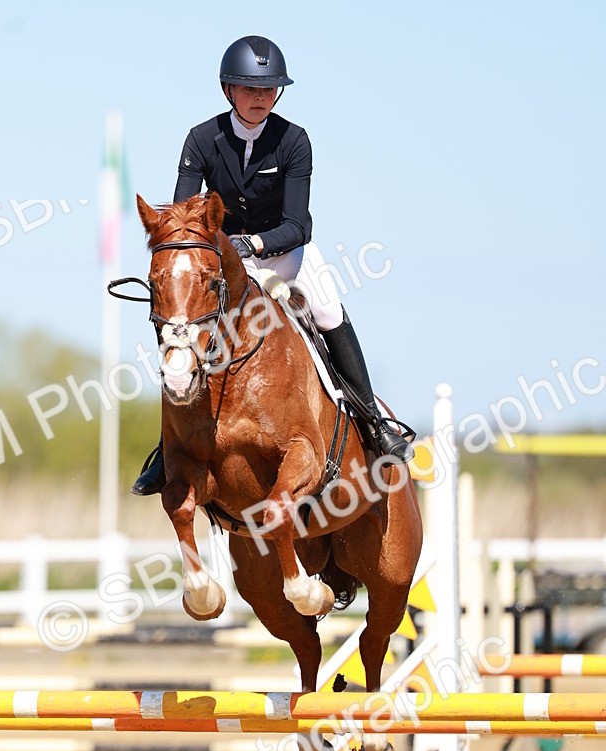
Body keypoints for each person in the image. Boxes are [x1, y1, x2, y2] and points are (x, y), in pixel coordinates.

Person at [133, 34, 414, 496]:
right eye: (250, 89)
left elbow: (297, 224)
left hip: (283, 253)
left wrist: (251, 245)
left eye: (268, 90)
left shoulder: (294, 141)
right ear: (229, 91)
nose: (260, 98)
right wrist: (207, 254)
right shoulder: (201, 139)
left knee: (326, 310)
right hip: (220, 263)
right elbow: (186, 214)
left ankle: (374, 422)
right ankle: (170, 447)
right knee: (181, 316)